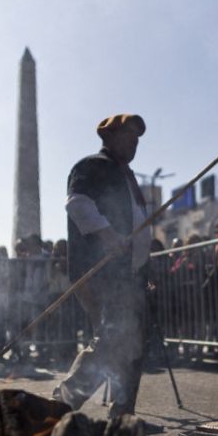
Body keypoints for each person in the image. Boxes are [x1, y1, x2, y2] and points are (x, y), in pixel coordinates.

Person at [53, 113, 151, 419]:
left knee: (133, 341)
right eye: (129, 136)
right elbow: (77, 203)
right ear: (110, 136)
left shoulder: (126, 175)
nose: (135, 143)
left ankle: (123, 415)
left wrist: (144, 268)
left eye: (138, 138)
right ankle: (63, 404)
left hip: (128, 274)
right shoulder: (93, 166)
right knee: (114, 337)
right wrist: (108, 235)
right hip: (100, 271)